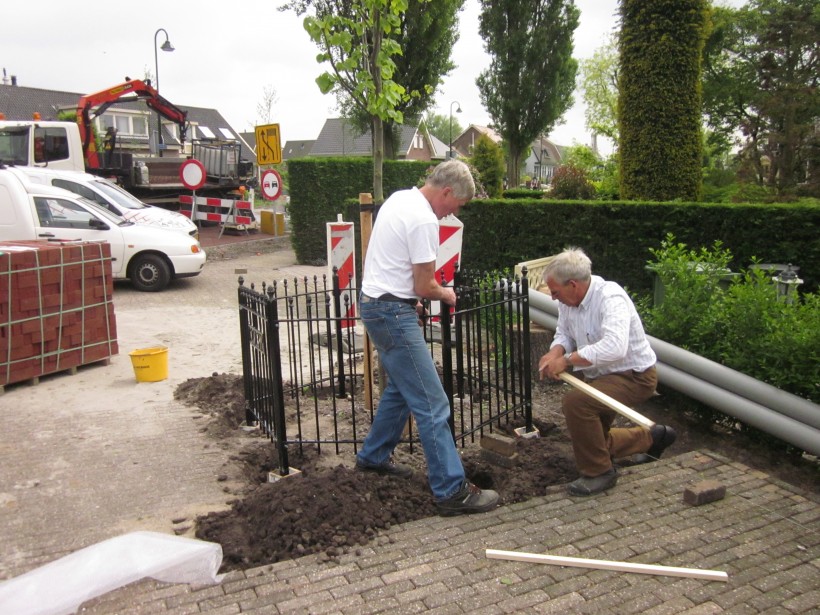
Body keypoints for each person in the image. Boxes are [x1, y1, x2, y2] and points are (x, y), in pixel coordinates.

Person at [356, 159, 499, 516]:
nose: (452, 214)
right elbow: (426, 284)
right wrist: (445, 294)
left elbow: (392, 265)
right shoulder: (423, 220)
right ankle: (451, 491)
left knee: (402, 389)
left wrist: (408, 301)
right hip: (390, 313)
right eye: (456, 205)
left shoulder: (399, 199)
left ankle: (373, 457)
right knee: (433, 403)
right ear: (447, 191)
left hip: (378, 305)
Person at [538, 248, 677, 496]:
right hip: (600, 375)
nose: (553, 298)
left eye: (556, 292)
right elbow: (564, 333)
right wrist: (555, 352)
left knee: (577, 405)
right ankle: (652, 439)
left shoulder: (611, 298)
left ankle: (599, 473)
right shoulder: (568, 302)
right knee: (593, 441)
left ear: (573, 285)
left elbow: (615, 347)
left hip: (633, 376)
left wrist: (567, 361)